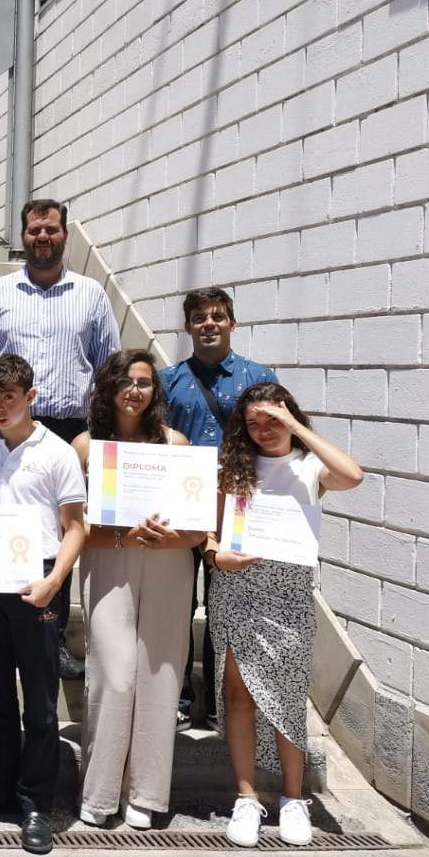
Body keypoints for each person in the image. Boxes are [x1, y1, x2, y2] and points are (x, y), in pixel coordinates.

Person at [0, 198, 117, 680]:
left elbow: (109, 364)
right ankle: (3, 627)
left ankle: (51, 635)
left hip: (70, 429)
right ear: (23, 235)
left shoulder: (91, 294)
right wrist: (5, 410)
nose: (42, 237)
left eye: (51, 229)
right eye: (34, 230)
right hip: (9, 425)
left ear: (65, 234)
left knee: (60, 530)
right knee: (6, 526)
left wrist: (94, 429)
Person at [207, 382, 362, 849]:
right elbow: (209, 536)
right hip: (237, 590)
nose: (262, 430)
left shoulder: (310, 466)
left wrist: (296, 426)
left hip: (289, 597)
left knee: (289, 696)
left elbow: (352, 475)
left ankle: (294, 799)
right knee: (239, 696)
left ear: (290, 415)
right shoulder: (233, 468)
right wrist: (218, 559)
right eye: (252, 423)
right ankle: (247, 797)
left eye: (271, 419)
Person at [0, 354, 87, 856]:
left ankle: (36, 803)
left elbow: (77, 528)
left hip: (38, 585)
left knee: (41, 703)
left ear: (31, 397)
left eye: (9, 396)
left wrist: (54, 583)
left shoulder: (56, 453)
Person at [71, 350, 205, 831]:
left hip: (169, 563)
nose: (134, 390)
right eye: (125, 381)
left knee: (160, 673)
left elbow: (198, 526)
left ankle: (147, 794)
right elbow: (70, 525)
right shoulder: (86, 447)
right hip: (111, 559)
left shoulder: (177, 443)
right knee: (115, 674)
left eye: (144, 383)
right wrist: (125, 534)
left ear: (155, 393)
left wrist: (176, 536)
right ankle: (100, 790)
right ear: (108, 388)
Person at [158, 287, 279, 728]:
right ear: (187, 326)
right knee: (176, 604)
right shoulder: (166, 381)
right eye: (199, 317)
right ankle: (179, 696)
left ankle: (219, 699)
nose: (209, 323)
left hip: (237, 508)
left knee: (227, 605)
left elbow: (274, 442)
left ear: (232, 323)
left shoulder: (258, 377)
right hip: (180, 508)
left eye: (218, 316)